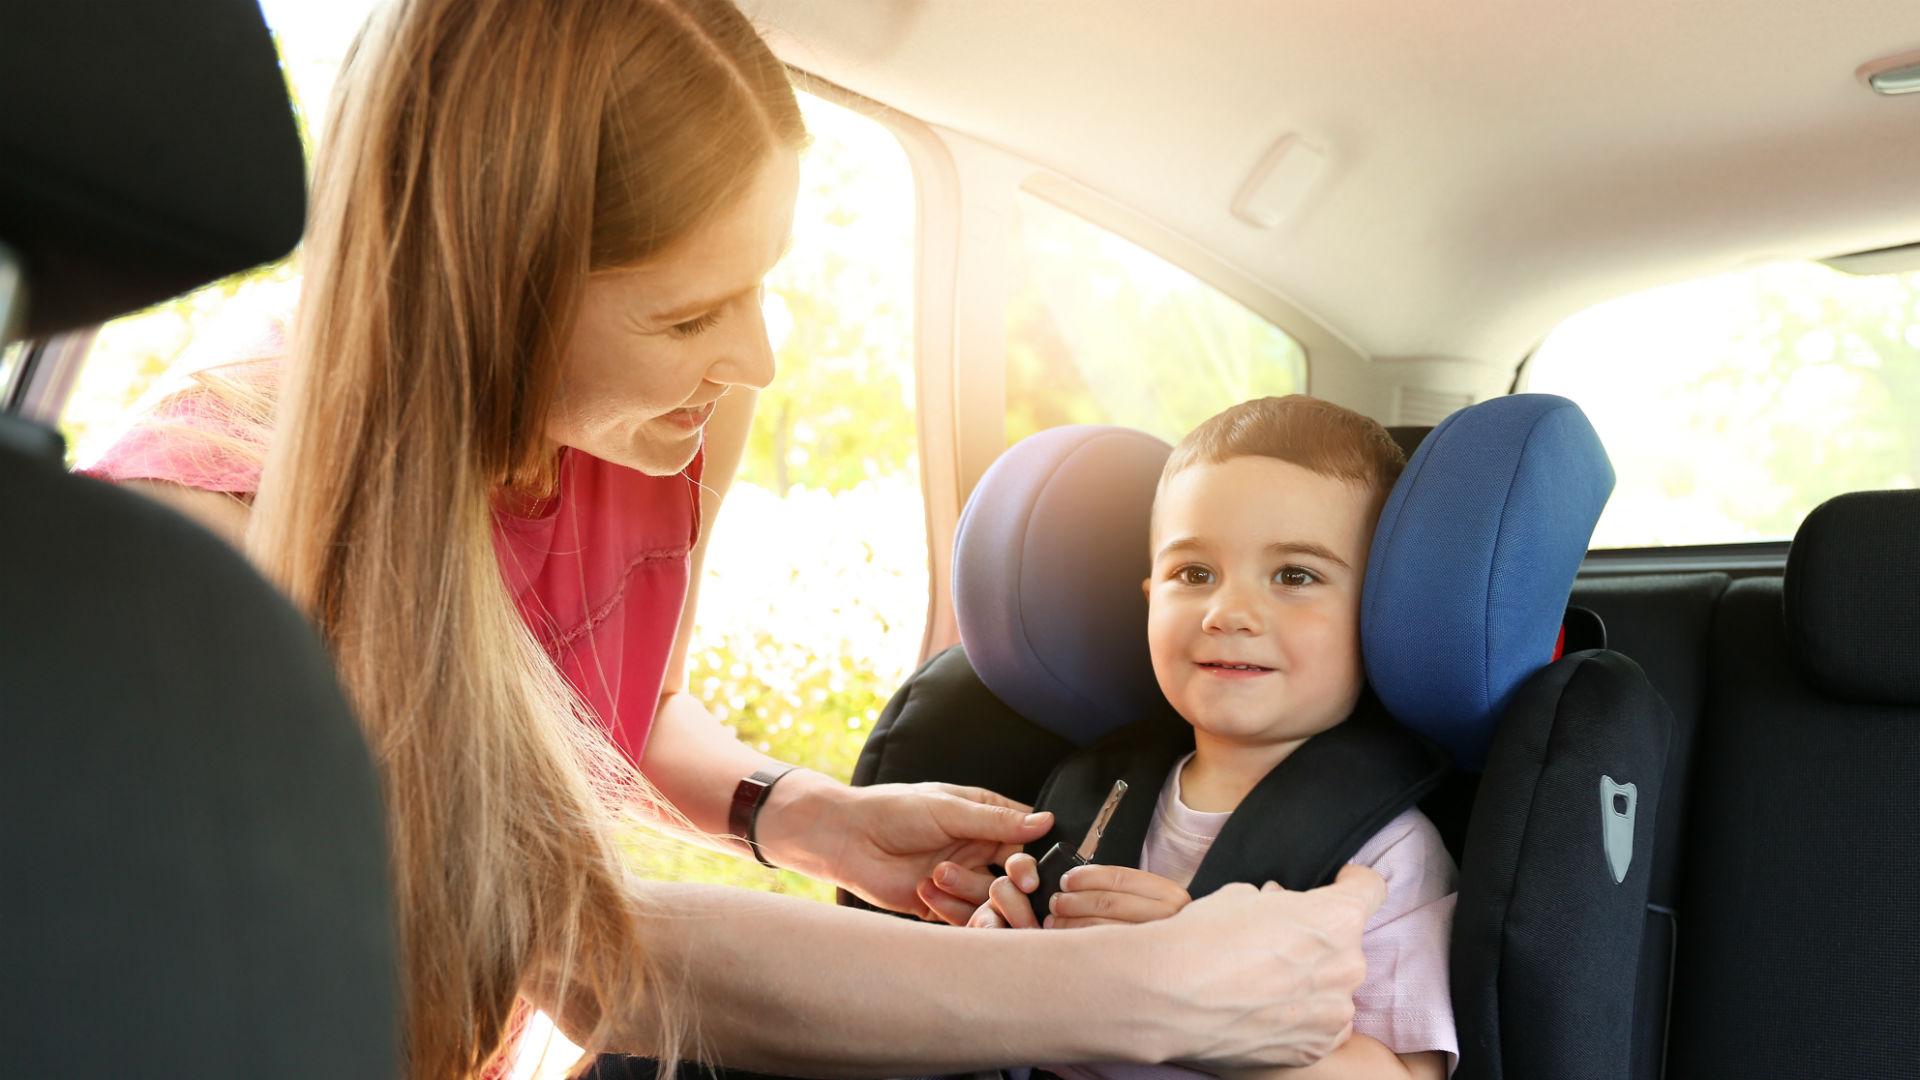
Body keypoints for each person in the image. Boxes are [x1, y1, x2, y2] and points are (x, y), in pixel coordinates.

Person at [83, 2, 1390, 1078]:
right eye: (691, 311)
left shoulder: (666, 422)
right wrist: (1129, 992)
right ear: (497, 282)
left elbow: (597, 704)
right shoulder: (216, 524)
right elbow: (579, 947)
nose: (754, 355)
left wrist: (802, 815)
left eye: (762, 281)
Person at [973, 397, 1459, 1079]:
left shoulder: (1383, 854)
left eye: (1295, 575)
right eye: (1194, 574)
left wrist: (1209, 1000)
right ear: (1151, 598)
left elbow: (1407, 1075)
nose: (1228, 611)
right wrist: (996, 967)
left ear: (1375, 615)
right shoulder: (1087, 795)